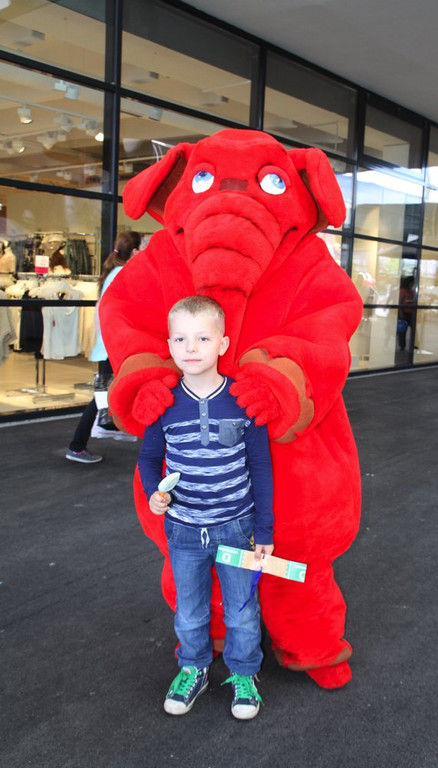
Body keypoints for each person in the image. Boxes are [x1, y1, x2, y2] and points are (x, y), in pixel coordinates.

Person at [137, 295, 274, 720]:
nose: (191, 347)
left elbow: (260, 467)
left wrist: (265, 531)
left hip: (237, 528)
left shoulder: (242, 400)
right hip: (183, 530)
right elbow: (148, 459)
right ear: (169, 345)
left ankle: (244, 673)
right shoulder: (163, 403)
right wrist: (153, 493)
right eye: (180, 339)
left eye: (202, 338)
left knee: (242, 612)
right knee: (190, 611)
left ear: (222, 344)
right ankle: (193, 668)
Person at [65, 230, 141, 463]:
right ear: (135, 251)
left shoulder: (114, 272)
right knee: (102, 397)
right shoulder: (122, 274)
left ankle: (89, 440)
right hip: (112, 347)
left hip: (108, 346)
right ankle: (77, 446)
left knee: (106, 395)